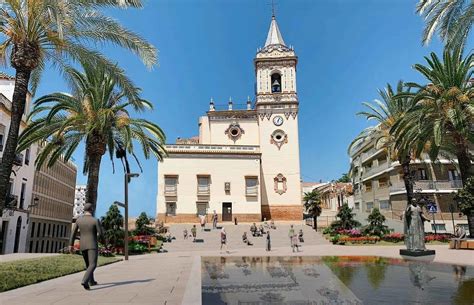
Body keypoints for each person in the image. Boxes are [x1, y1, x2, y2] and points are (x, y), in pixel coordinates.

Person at [69, 203, 104, 290]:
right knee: (93, 264)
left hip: (83, 245)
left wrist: (71, 245)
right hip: (92, 244)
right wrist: (101, 241)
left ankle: (91, 281)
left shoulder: (78, 220)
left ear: (84, 210)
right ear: (92, 209)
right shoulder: (95, 220)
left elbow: (73, 233)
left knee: (88, 264)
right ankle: (84, 280)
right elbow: (100, 234)